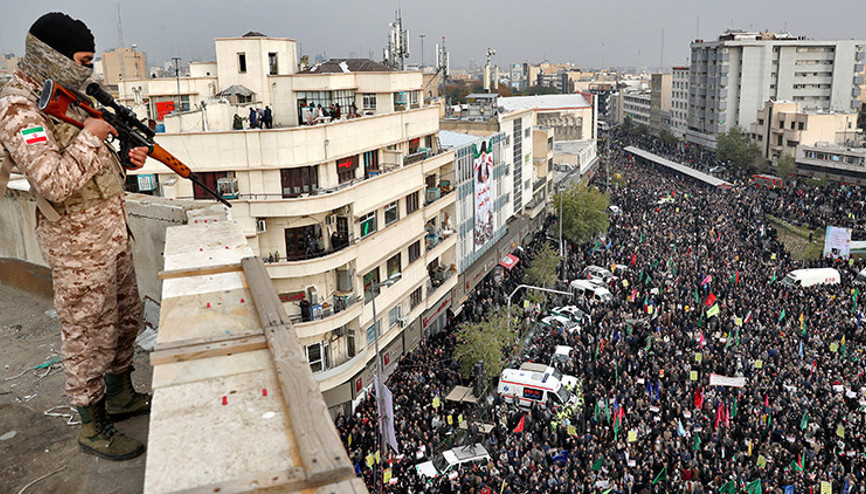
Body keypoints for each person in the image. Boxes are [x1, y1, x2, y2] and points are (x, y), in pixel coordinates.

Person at [0, 12, 151, 461]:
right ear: (54, 55)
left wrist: (123, 160)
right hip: (75, 242)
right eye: (82, 61)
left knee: (125, 316)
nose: (87, 72)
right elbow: (54, 182)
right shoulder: (19, 107)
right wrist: (91, 135)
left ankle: (121, 396)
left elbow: (86, 167)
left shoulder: (64, 94)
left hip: (110, 229)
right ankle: (93, 424)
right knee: (88, 332)